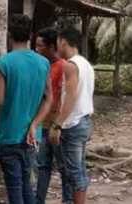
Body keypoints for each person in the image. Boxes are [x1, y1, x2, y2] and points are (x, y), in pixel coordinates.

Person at [0, 14, 53, 204]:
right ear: (31, 36)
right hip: (32, 136)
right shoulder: (43, 62)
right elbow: (49, 98)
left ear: (9, 35)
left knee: (15, 187)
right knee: (26, 184)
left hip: (9, 135)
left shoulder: (4, 63)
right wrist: (35, 123)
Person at [50, 27, 95, 204]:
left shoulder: (70, 65)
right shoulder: (85, 64)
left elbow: (70, 96)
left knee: (75, 172)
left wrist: (57, 124)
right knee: (76, 169)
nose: (56, 48)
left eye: (57, 44)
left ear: (63, 42)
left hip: (73, 124)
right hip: (83, 121)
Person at [34, 27, 73, 204]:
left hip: (57, 126)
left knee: (63, 167)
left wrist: (58, 125)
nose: (36, 49)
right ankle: (39, 200)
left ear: (51, 47)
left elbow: (65, 99)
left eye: (40, 46)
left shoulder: (63, 67)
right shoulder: (42, 65)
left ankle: (67, 200)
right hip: (43, 125)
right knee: (42, 165)